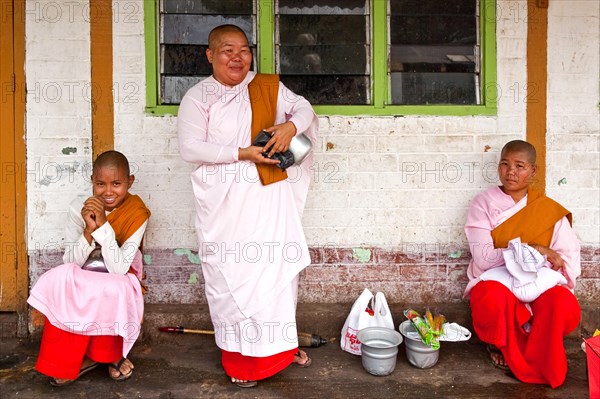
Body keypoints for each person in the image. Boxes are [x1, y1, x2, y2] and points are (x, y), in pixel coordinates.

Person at [177, 24, 318, 388]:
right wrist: (242, 152)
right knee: (230, 279)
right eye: (227, 50)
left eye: (244, 50)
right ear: (210, 55)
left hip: (268, 199)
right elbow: (190, 148)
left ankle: (279, 349)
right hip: (224, 209)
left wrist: (290, 128)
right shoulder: (197, 97)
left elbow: (303, 108)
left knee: (272, 276)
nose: (237, 58)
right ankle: (242, 361)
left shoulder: (265, 85)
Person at [27, 150, 151, 386]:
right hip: (85, 269)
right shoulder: (78, 208)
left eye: (117, 184)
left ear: (130, 181)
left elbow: (119, 268)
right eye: (100, 184)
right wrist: (87, 230)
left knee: (114, 288)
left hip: (119, 272)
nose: (108, 192)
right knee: (61, 278)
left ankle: (109, 356)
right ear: (91, 181)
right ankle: (67, 361)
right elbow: (70, 262)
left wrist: (103, 227)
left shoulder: (137, 212)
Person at [464, 140, 581, 388]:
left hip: (539, 281)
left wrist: (536, 267)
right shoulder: (483, 203)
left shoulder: (547, 210)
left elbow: (567, 258)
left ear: (534, 171)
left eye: (520, 166)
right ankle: (497, 344)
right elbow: (485, 258)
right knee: (489, 296)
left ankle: (544, 351)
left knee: (561, 302)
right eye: (505, 164)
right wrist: (537, 251)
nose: (511, 172)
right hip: (499, 280)